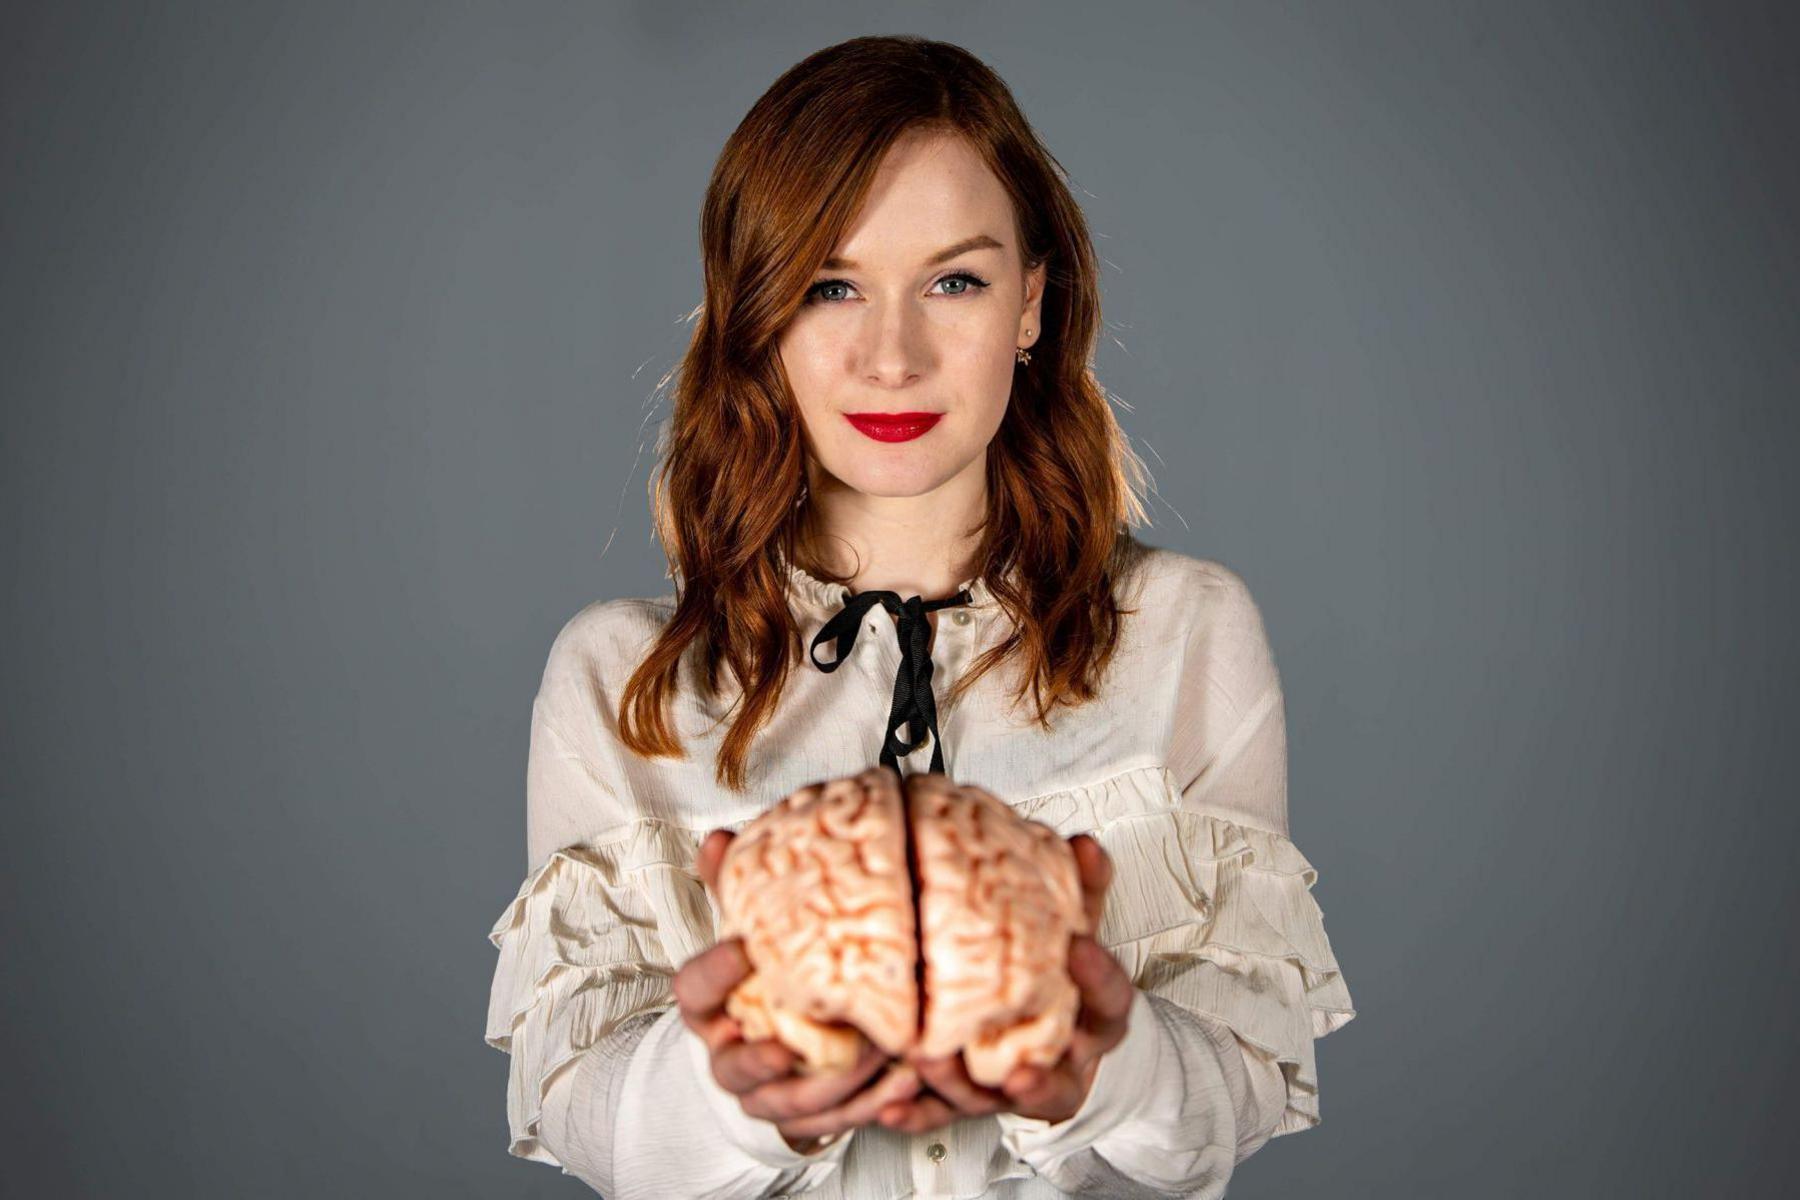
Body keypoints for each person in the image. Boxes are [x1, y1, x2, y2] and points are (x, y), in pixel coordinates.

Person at [483, 34, 1355, 1199]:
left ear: (1032, 305)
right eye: (829, 285)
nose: (890, 356)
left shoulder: (1185, 635)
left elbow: (1241, 1087)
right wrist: (739, 1095)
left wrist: (1099, 1069)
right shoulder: (622, 682)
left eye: (956, 281)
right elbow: (588, 1119)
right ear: (759, 317)